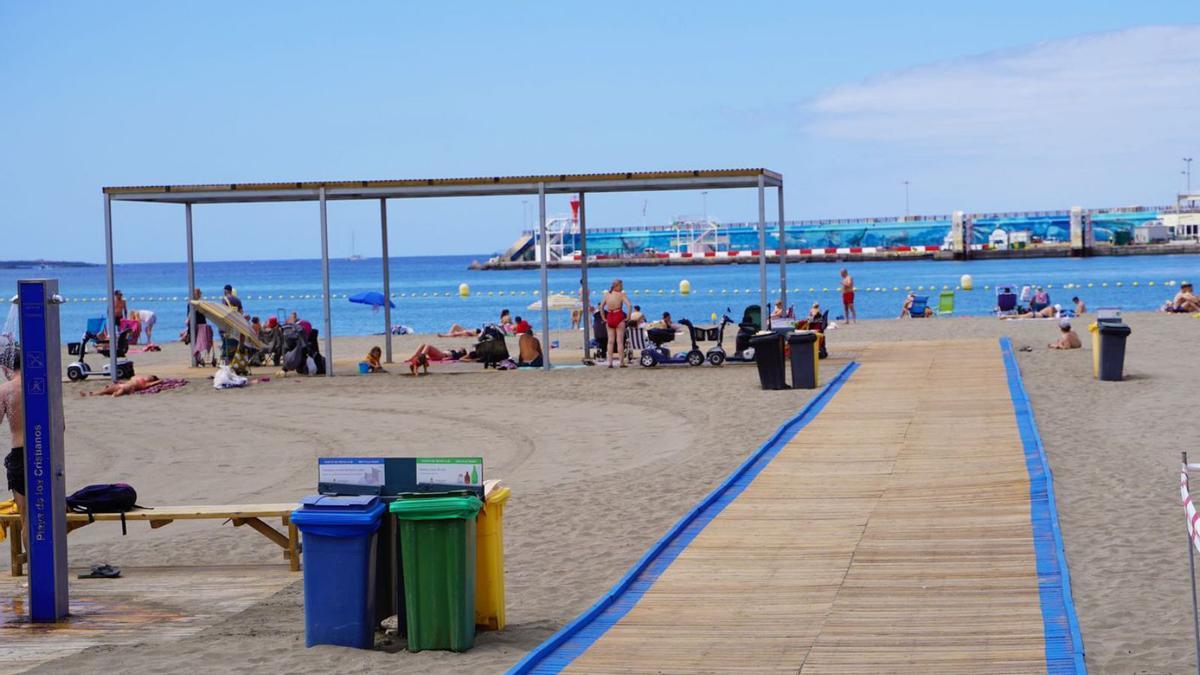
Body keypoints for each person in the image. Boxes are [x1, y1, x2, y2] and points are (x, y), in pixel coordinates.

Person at [1, 343, 26, 553]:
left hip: (19, 453)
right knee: (46, 513)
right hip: (45, 452)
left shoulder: (6, 390)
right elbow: (60, 426)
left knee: (27, 517)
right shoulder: (44, 386)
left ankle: (35, 570)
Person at [602, 280, 632, 367]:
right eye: (621, 286)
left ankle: (610, 363)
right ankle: (621, 362)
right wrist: (629, 316)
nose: (622, 287)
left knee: (610, 341)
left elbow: (601, 307)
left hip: (609, 316)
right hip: (618, 315)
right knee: (619, 341)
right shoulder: (621, 294)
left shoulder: (607, 294)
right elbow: (629, 305)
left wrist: (604, 318)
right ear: (617, 286)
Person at [81, 374, 162, 397]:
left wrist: (158, 381)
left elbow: (158, 382)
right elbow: (128, 381)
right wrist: (119, 381)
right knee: (103, 391)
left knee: (114, 395)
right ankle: (89, 394)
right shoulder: (139, 379)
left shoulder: (146, 384)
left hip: (127, 388)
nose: (148, 377)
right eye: (149, 376)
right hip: (122, 385)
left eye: (151, 377)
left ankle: (90, 395)